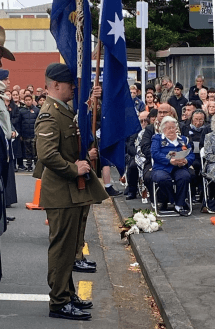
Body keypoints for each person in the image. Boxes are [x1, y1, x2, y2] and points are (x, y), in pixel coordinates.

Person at [34, 63, 108, 320]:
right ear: (55, 85)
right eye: (69, 84)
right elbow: (47, 154)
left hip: (69, 193)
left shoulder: (63, 111)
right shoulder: (49, 114)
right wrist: (73, 168)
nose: (73, 88)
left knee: (70, 249)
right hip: (60, 192)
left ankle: (66, 292)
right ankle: (59, 302)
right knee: (62, 250)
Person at [151, 116, 195, 216]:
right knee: (162, 179)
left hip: (179, 166)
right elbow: (155, 154)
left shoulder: (183, 139)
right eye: (168, 128)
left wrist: (185, 161)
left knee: (185, 177)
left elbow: (191, 154)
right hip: (162, 167)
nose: (171, 130)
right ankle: (173, 200)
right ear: (163, 129)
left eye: (173, 127)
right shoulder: (157, 138)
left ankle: (179, 205)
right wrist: (170, 161)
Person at [181, 109, 207, 202]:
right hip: (190, 155)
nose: (198, 122)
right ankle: (191, 194)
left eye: (201, 120)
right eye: (196, 119)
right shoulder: (186, 129)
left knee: (203, 167)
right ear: (192, 119)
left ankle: (203, 194)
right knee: (193, 167)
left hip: (203, 156)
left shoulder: (206, 129)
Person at [125, 111, 149, 200]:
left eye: (146, 120)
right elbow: (130, 146)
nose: (144, 123)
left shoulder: (152, 129)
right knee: (132, 166)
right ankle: (132, 190)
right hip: (137, 155)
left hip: (149, 155)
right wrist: (138, 154)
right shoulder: (135, 130)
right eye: (141, 121)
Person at [19, 94, 40, 171]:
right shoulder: (21, 111)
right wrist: (20, 134)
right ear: (24, 101)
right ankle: (29, 166)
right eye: (26, 100)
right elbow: (20, 123)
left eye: (29, 100)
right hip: (25, 134)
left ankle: (37, 166)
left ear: (32, 100)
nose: (28, 102)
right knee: (27, 152)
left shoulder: (37, 110)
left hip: (34, 134)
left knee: (35, 151)